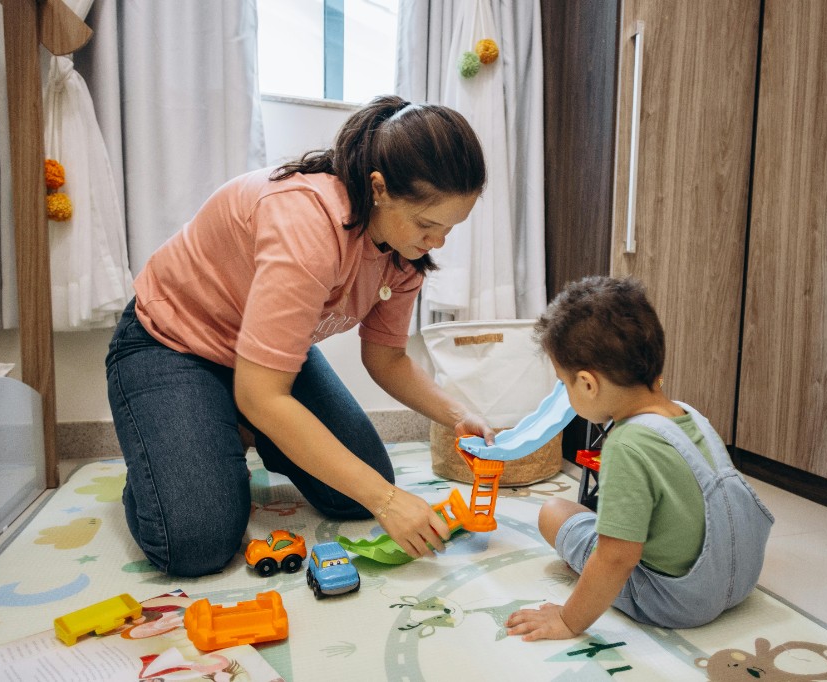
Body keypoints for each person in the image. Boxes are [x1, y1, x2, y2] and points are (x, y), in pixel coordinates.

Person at [105, 95, 495, 578]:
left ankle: (226, 423)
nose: (436, 242)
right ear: (379, 188)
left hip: (262, 361)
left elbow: (387, 357)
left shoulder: (402, 252)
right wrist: (390, 502)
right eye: (427, 224)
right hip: (171, 341)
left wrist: (458, 415)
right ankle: (166, 451)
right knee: (194, 542)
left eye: (450, 229)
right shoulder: (308, 224)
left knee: (350, 496)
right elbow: (262, 394)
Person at [505, 276, 773, 638]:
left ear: (587, 383)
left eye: (564, 383)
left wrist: (568, 620)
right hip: (740, 578)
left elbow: (618, 557)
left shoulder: (626, 444)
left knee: (554, 513)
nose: (567, 393)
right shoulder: (691, 417)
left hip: (678, 600)